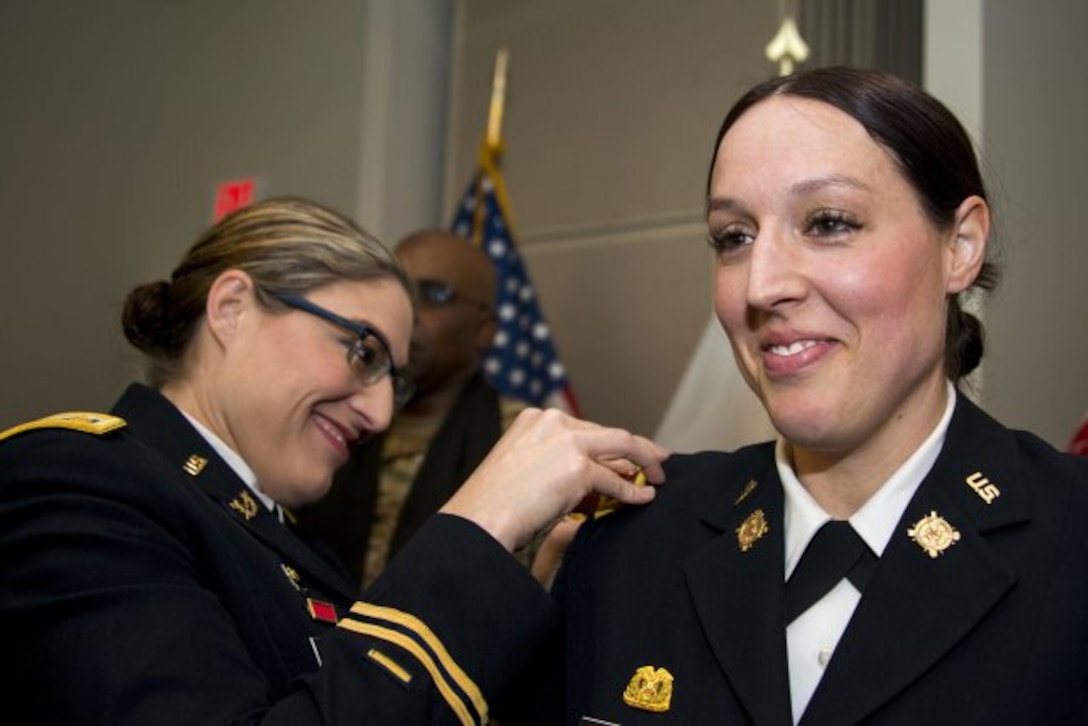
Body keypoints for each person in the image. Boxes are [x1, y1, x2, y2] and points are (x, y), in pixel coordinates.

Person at [532, 66, 1088, 724]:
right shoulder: (630, 545)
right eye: (734, 238)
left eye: (827, 223)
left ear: (960, 246)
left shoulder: (1070, 540)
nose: (761, 286)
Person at [0, 196, 667, 725]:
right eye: (362, 352)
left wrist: (527, 593)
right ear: (232, 309)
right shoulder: (74, 481)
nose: (380, 415)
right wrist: (480, 523)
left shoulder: (284, 539)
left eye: (396, 380)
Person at [295, 229, 527, 590]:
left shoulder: (520, 441)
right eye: (401, 290)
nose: (409, 312)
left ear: (485, 329)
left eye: (434, 295)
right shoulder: (333, 411)